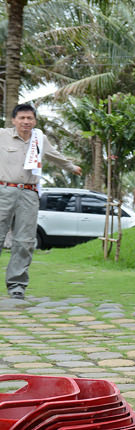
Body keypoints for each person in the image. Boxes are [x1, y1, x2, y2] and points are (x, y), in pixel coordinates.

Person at [0, 104, 82, 299]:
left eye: (30, 118)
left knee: (25, 241)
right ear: (13, 120)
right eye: (22, 118)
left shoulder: (40, 139)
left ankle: (17, 286)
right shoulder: (2, 135)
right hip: (4, 191)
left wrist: (72, 167)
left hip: (29, 193)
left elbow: (56, 156)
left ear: (35, 121)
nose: (26, 122)